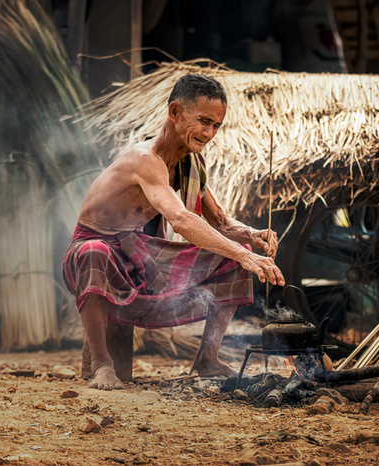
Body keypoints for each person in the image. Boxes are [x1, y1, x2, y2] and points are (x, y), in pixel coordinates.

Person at [62, 74, 285, 390]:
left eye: (216, 126)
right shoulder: (145, 159)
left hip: (141, 251)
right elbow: (180, 220)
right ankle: (102, 363)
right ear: (175, 112)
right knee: (93, 252)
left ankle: (207, 359)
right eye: (204, 121)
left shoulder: (191, 162)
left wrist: (251, 235)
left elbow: (220, 220)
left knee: (239, 258)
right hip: (98, 251)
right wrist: (239, 252)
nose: (209, 133)